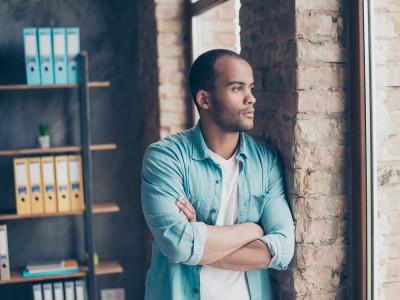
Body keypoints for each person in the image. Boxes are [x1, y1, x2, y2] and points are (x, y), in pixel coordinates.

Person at [141, 49, 295, 300]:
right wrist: (253, 230)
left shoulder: (265, 161)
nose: (251, 98)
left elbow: (282, 249)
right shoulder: (165, 158)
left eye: (251, 88)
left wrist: (198, 242)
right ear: (204, 99)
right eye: (237, 88)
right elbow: (177, 244)